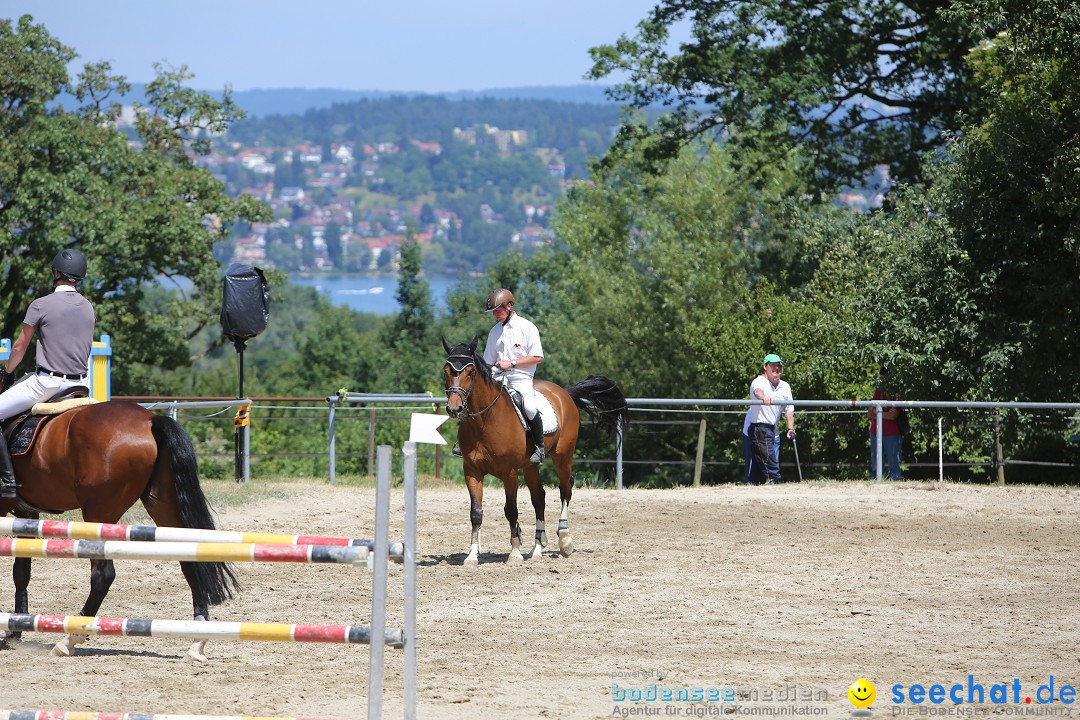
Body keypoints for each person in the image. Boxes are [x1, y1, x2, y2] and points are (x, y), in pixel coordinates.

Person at [0, 248, 96, 499]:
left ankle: (7, 480)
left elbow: (20, 347)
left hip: (47, 384)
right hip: (82, 384)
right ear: (80, 278)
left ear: (56, 273)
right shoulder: (88, 307)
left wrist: (8, 374)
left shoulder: (41, 304)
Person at [481, 288, 545, 464]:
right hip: (498, 375)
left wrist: (512, 363)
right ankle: (466, 442)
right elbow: (488, 361)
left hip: (521, 376)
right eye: (492, 311)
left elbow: (537, 357)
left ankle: (539, 447)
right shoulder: (494, 332)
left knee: (530, 408)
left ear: (509, 306)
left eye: (497, 309)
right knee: (476, 397)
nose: (494, 314)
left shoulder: (527, 327)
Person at [742, 353, 795, 485]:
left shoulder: (785, 386)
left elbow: (789, 409)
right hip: (755, 428)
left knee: (771, 463)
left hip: (773, 430)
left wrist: (790, 428)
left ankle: (769, 487)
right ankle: (754, 486)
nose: (776, 369)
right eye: (773, 366)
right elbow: (757, 391)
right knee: (756, 466)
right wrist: (763, 397)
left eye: (779, 366)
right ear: (765, 367)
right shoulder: (759, 381)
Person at [868, 368, 904, 481]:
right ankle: (876, 482)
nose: (882, 381)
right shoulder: (878, 391)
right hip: (875, 432)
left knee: (894, 464)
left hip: (892, 433)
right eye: (881, 378)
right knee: (876, 464)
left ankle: (896, 482)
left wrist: (877, 413)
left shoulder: (897, 393)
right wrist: (885, 413)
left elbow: (893, 416)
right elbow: (869, 414)